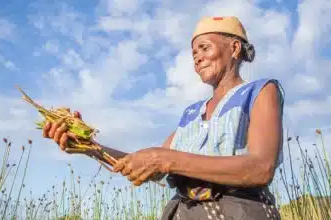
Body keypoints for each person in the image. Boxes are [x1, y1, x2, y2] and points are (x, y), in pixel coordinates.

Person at [43, 16, 284, 220]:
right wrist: (87, 146)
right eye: (194, 53)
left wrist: (166, 159)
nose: (197, 57)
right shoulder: (192, 114)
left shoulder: (260, 92)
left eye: (205, 48)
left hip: (238, 212)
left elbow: (260, 168)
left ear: (234, 48)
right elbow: (149, 165)